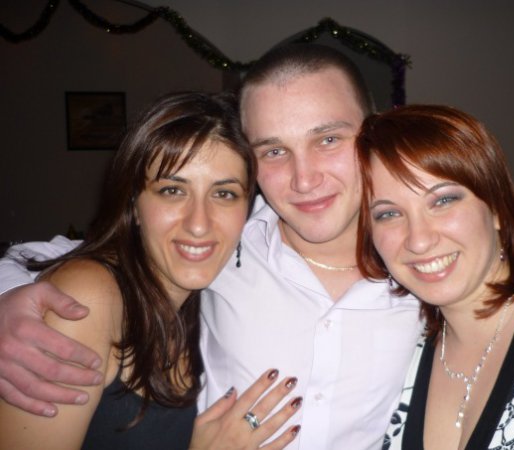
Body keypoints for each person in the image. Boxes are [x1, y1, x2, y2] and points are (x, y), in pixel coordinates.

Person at [0, 44, 422, 449]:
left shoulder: (425, 265)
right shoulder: (230, 241)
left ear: (374, 133)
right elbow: (59, 256)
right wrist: (10, 296)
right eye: (274, 150)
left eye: (328, 139)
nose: (304, 178)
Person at [0, 91, 302, 450]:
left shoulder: (210, 300)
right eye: (173, 190)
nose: (199, 224)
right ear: (134, 202)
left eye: (224, 194)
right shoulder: (88, 300)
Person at [355, 104, 514, 449]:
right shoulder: (401, 350)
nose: (419, 240)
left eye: (443, 201)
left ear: (497, 206)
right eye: (388, 214)